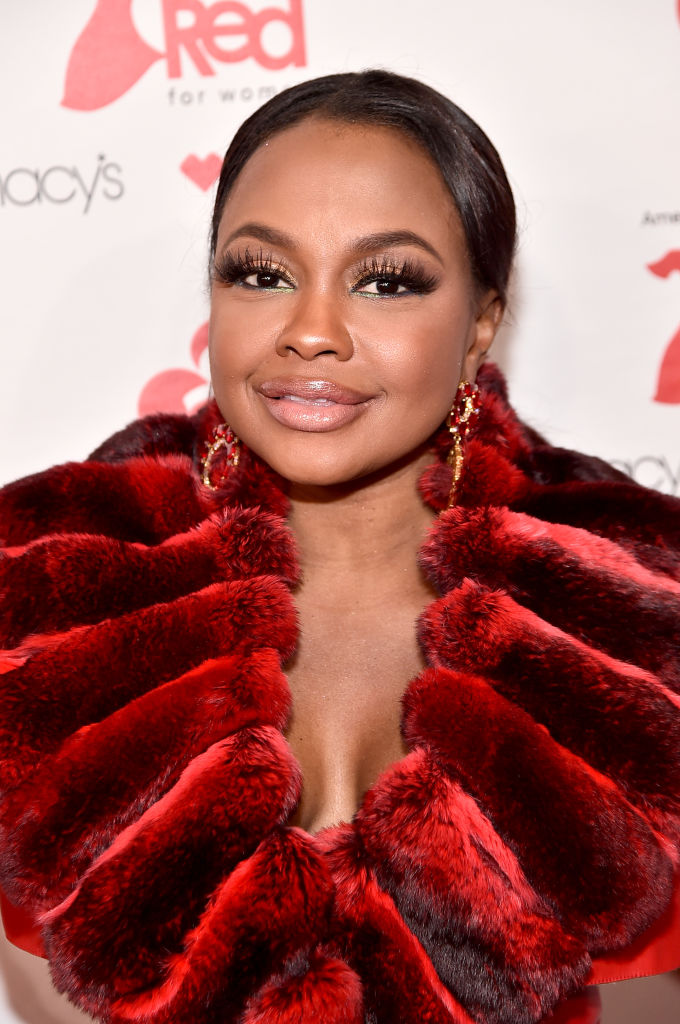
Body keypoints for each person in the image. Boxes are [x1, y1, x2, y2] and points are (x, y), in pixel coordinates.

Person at [0, 70, 679, 1024]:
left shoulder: (643, 618)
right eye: (261, 273)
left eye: (386, 281)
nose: (311, 332)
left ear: (481, 324)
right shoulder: (46, 591)